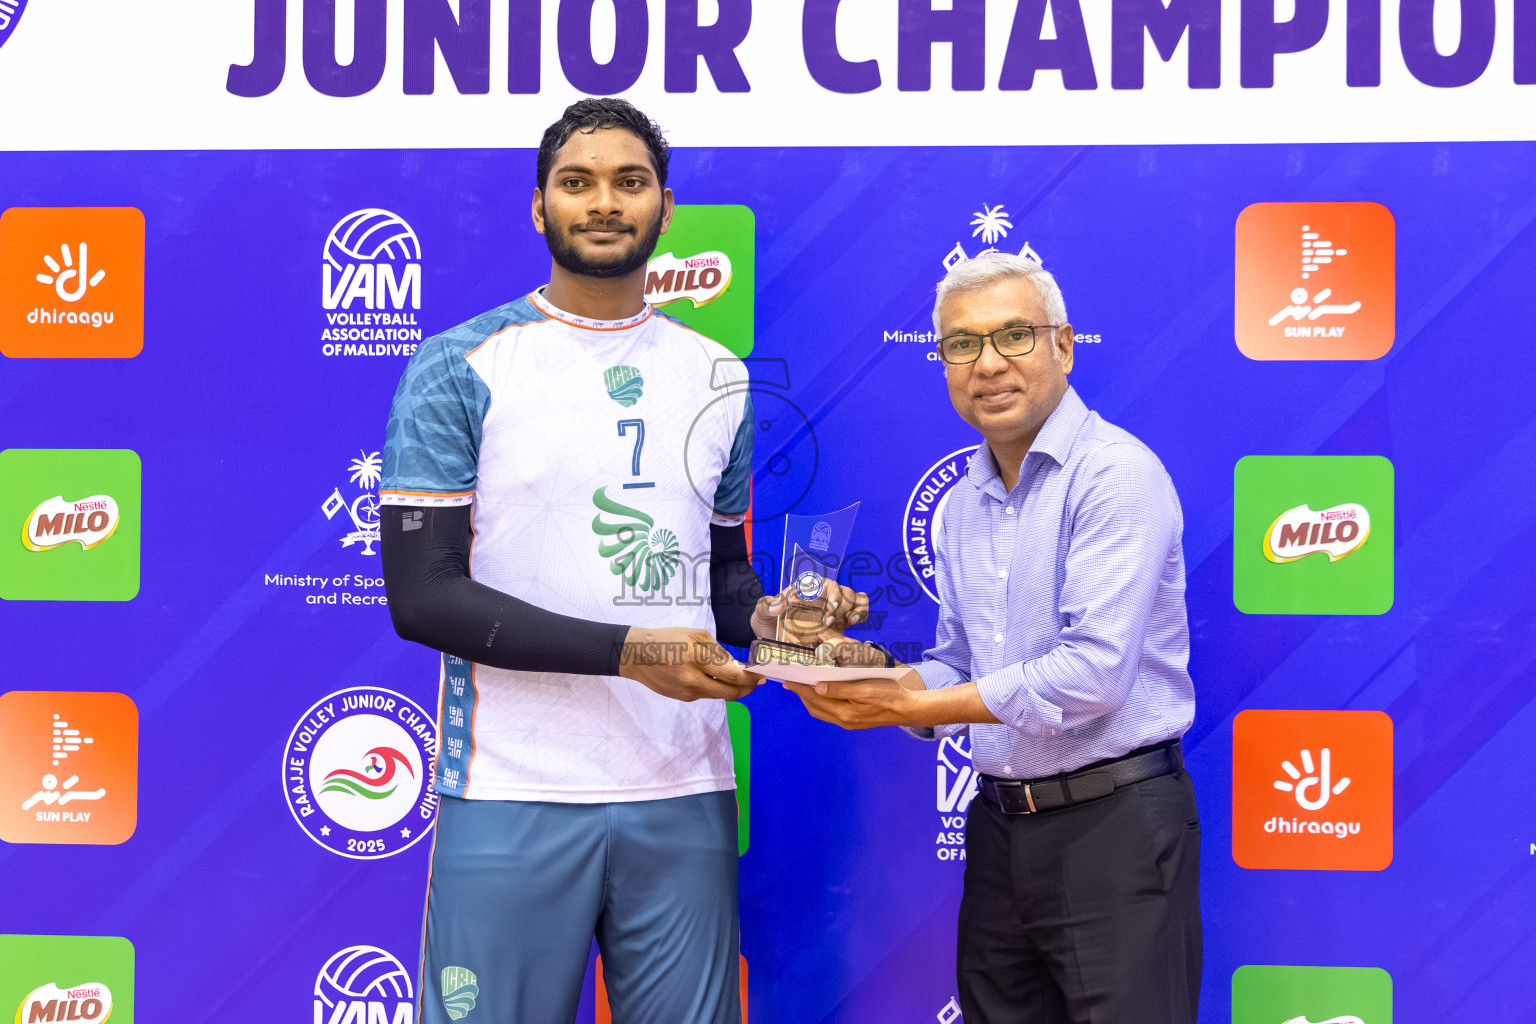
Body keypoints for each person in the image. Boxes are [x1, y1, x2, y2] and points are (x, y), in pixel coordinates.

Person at [378, 98, 864, 1024]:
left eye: (628, 182)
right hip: (511, 789)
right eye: (578, 182)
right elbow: (424, 598)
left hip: (683, 791)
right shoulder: (457, 366)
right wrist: (633, 651)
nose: (604, 201)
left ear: (664, 209)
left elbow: (724, 587)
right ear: (538, 206)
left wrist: (778, 622)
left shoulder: (718, 374)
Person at [793, 252, 1200, 1024]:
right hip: (1002, 829)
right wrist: (874, 676)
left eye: (1014, 336)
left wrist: (911, 704)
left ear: (1064, 346)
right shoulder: (963, 506)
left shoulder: (1115, 475)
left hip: (1114, 826)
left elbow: (1093, 676)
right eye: (961, 344)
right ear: (942, 362)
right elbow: (959, 664)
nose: (988, 364)